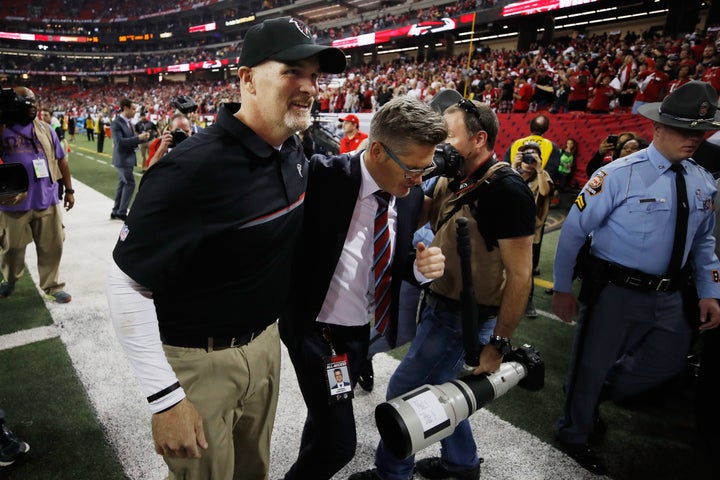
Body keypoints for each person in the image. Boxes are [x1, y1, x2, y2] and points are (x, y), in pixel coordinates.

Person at [107, 16, 345, 480]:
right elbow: (125, 282)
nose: (308, 86)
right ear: (247, 79)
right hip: (200, 362)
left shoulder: (292, 150)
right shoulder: (191, 170)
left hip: (265, 346)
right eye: (292, 71)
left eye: (314, 75)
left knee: (252, 472)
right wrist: (165, 397)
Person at [351, 99, 535, 480]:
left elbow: (520, 276)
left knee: (405, 390)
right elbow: (411, 214)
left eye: (449, 136)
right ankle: (461, 464)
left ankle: (392, 473)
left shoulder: (507, 190)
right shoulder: (453, 176)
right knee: (441, 387)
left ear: (480, 139)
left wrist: (498, 342)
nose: (441, 146)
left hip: (466, 316)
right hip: (438, 303)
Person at [551, 81, 720, 476]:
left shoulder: (702, 179)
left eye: (700, 130)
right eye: (683, 129)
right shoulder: (617, 176)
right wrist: (562, 288)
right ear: (658, 127)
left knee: (666, 363)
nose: (694, 138)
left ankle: (590, 393)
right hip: (615, 292)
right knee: (591, 365)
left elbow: (703, 242)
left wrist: (711, 290)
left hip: (671, 296)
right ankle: (575, 431)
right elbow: (573, 233)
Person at [279, 95, 447, 480]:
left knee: (324, 425)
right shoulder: (322, 176)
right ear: (377, 151)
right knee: (341, 444)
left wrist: (420, 270)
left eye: (427, 168)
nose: (420, 178)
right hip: (313, 331)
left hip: (356, 333)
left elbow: (389, 257)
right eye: (413, 168)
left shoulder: (409, 195)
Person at [0, 86, 74, 303]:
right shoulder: (2, 129)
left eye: (33, 102)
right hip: (13, 203)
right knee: (11, 247)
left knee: (53, 245)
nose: (32, 107)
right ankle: (10, 279)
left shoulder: (45, 129)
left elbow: (61, 159)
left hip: (46, 198)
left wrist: (69, 190)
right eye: (27, 104)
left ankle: (52, 285)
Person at [512, 140, 554, 318]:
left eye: (532, 156)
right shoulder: (512, 172)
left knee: (528, 268)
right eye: (525, 155)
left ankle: (528, 299)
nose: (528, 160)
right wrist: (514, 166)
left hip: (532, 230)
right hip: (510, 225)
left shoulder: (542, 175)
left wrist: (539, 169)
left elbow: (545, 192)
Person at [110, 98, 150, 221]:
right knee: (130, 183)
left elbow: (130, 139)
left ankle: (116, 211)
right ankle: (121, 212)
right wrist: (138, 138)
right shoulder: (117, 123)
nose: (135, 112)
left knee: (122, 184)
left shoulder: (129, 122)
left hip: (127, 158)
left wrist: (144, 138)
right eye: (133, 109)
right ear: (125, 108)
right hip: (123, 158)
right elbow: (120, 142)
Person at [502, 114, 561, 178]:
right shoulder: (551, 146)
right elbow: (552, 172)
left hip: (515, 181)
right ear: (546, 129)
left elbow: (505, 166)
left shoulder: (516, 143)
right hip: (538, 184)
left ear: (530, 127)